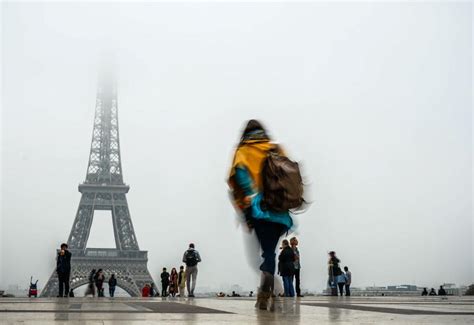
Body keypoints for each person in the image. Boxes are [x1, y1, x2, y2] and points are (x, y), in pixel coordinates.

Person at [228, 120, 296, 310]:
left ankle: (266, 287)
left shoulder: (243, 151)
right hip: (280, 212)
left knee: (260, 255)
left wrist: (247, 202)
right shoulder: (275, 148)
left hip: (259, 210)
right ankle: (269, 285)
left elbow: (239, 180)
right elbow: (288, 176)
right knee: (269, 251)